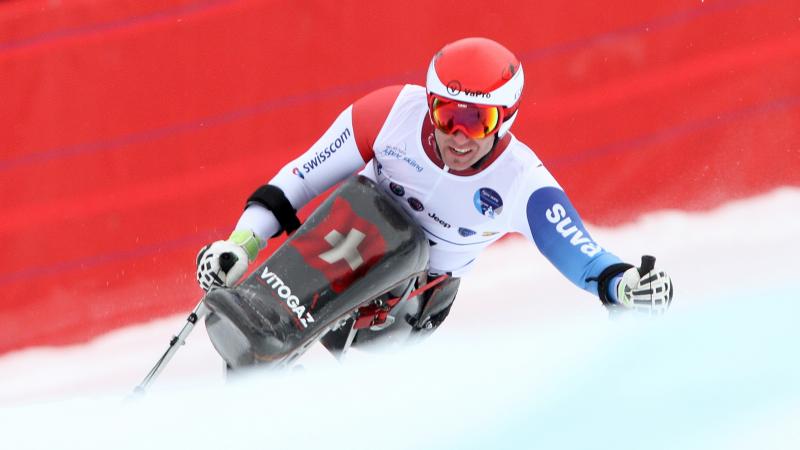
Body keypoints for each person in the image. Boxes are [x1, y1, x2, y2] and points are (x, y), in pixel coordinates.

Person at [196, 37, 673, 345]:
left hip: (414, 296)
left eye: (477, 121)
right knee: (251, 341)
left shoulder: (521, 181)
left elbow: (584, 255)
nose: (458, 135)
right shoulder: (389, 113)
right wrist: (240, 244)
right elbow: (299, 179)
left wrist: (626, 285)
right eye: (446, 114)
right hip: (340, 247)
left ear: (506, 120)